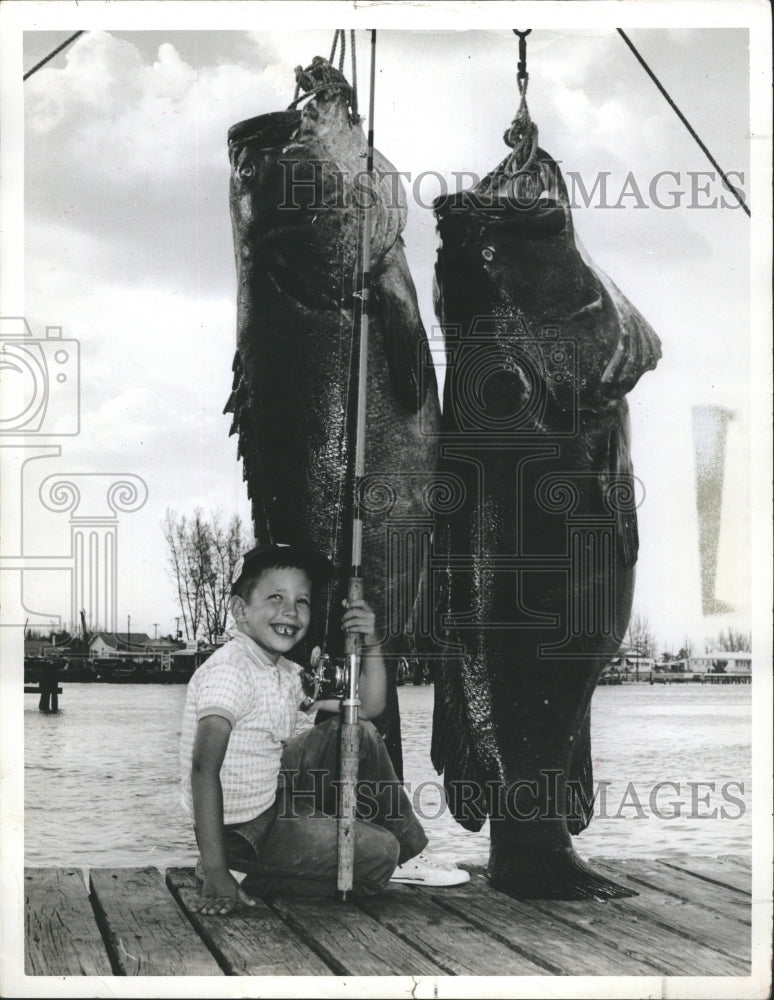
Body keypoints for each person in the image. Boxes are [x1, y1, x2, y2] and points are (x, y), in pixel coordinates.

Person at [180, 543, 468, 915]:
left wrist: (373, 641)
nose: (290, 611)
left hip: (270, 792)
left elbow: (367, 706)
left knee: (357, 731)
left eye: (302, 601)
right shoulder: (230, 671)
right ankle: (242, 872)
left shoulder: (282, 671)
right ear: (240, 611)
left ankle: (411, 858)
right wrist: (216, 870)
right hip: (241, 831)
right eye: (275, 597)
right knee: (380, 855)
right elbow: (203, 769)